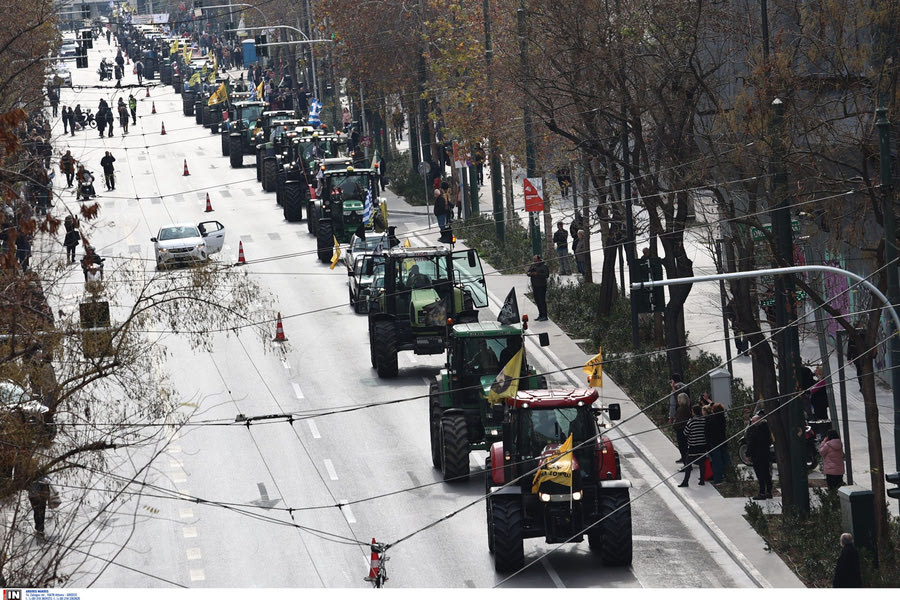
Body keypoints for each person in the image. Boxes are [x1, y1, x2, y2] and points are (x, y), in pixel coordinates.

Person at [679, 405, 708, 487]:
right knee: (702, 463)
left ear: (694, 412)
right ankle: (702, 480)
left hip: (693, 445)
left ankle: (685, 482)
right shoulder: (703, 420)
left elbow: (685, 432)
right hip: (702, 444)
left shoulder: (691, 421)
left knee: (688, 464)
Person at [746, 413, 773, 500]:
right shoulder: (766, 429)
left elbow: (751, 443)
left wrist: (748, 454)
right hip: (765, 454)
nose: (751, 422)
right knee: (766, 473)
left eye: (753, 421)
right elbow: (769, 441)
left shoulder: (754, 430)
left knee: (760, 474)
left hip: (757, 455)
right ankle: (768, 491)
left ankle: (762, 492)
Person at [706, 403, 728, 484]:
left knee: (716, 461)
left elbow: (708, 431)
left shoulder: (711, 419)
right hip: (722, 441)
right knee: (725, 459)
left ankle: (718, 479)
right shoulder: (722, 418)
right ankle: (729, 476)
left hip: (714, 442)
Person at [526, 255, 550, 321]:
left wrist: (537, 274)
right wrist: (530, 273)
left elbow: (546, 275)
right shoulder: (533, 265)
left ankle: (544, 315)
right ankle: (540, 314)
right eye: (533, 260)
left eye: (535, 260)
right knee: (537, 300)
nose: (534, 261)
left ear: (539, 259)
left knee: (542, 300)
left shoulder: (543, 266)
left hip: (542, 286)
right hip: (535, 285)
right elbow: (528, 272)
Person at [673, 392, 691, 465]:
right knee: (686, 447)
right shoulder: (688, 408)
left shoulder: (680, 409)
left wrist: (674, 426)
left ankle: (686, 464)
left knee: (682, 447)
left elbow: (678, 420)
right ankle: (687, 463)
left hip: (681, 430)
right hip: (686, 429)